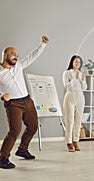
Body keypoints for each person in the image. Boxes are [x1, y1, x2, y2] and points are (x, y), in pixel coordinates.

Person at [0, 36, 49, 169]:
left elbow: (32, 56)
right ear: (4, 55)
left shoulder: (19, 66)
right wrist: (1, 96)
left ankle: (22, 149)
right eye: (13, 54)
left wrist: (42, 44)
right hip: (13, 104)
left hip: (27, 101)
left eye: (17, 54)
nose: (16, 56)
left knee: (33, 126)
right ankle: (2, 158)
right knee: (14, 131)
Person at [62, 55, 87, 152]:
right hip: (70, 96)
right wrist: (75, 79)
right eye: (76, 61)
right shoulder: (67, 73)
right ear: (72, 62)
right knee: (70, 120)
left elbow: (84, 88)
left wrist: (82, 79)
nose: (78, 64)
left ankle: (76, 140)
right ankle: (69, 142)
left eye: (79, 62)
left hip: (80, 96)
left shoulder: (81, 73)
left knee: (78, 121)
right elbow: (66, 86)